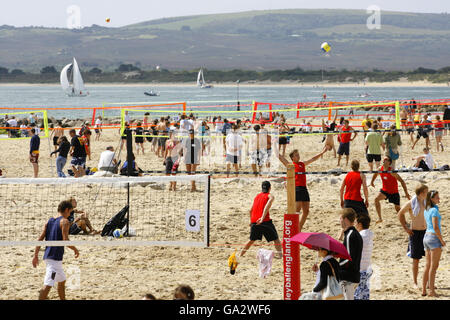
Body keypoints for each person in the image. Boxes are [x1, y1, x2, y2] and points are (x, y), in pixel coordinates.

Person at [32, 200, 79, 300]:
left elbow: (40, 239)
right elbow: (65, 240)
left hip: (50, 257)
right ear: (66, 210)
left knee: (62, 280)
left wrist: (35, 255)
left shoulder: (49, 221)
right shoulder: (65, 221)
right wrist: (75, 249)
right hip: (54, 260)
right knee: (48, 285)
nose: (70, 214)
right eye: (70, 212)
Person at [278, 147, 329, 232]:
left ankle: (299, 228)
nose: (298, 156)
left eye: (298, 155)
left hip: (304, 189)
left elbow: (313, 159)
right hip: (297, 189)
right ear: (292, 158)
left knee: (306, 211)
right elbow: (282, 159)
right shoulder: (291, 165)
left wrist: (322, 152)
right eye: (296, 155)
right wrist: (274, 150)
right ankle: (293, 228)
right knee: (297, 210)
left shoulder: (302, 164)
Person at [240, 181, 282, 259]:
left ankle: (241, 254)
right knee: (276, 239)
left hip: (254, 221)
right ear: (270, 188)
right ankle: (280, 256)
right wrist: (262, 217)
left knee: (251, 240)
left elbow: (250, 210)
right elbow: (268, 204)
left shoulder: (257, 196)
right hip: (264, 220)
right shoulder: (270, 195)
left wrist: (251, 221)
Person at [398, 184, 428, 288]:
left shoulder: (426, 202)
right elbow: (400, 214)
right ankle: (415, 282)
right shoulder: (411, 203)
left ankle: (427, 282)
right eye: (425, 192)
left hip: (426, 232)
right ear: (420, 193)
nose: (427, 194)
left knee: (429, 258)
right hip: (415, 233)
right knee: (416, 259)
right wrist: (406, 228)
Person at [370, 156, 410, 224]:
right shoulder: (380, 169)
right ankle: (380, 218)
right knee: (376, 199)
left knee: (398, 209)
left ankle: (405, 222)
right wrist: (372, 182)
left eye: (386, 159)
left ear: (389, 162)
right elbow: (375, 174)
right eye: (384, 159)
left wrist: (406, 193)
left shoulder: (392, 171)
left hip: (394, 192)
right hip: (385, 191)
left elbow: (402, 181)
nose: (384, 160)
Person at [422, 190, 445, 297]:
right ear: (431, 199)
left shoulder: (427, 209)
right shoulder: (434, 211)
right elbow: (436, 227)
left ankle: (424, 289)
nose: (439, 199)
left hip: (426, 236)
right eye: (437, 197)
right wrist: (441, 240)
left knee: (427, 265)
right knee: (433, 266)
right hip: (433, 237)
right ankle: (431, 291)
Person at [338, 208, 363, 300]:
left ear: (345, 219)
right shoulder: (355, 234)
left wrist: (336, 266)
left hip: (347, 277)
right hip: (353, 275)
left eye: (340, 218)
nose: (339, 221)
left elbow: (349, 258)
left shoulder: (349, 235)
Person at [354, 214, 374, 300]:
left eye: (356, 223)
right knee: (365, 293)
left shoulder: (360, 236)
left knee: (357, 294)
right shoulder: (370, 234)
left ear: (360, 224)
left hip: (360, 269)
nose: (355, 225)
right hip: (368, 268)